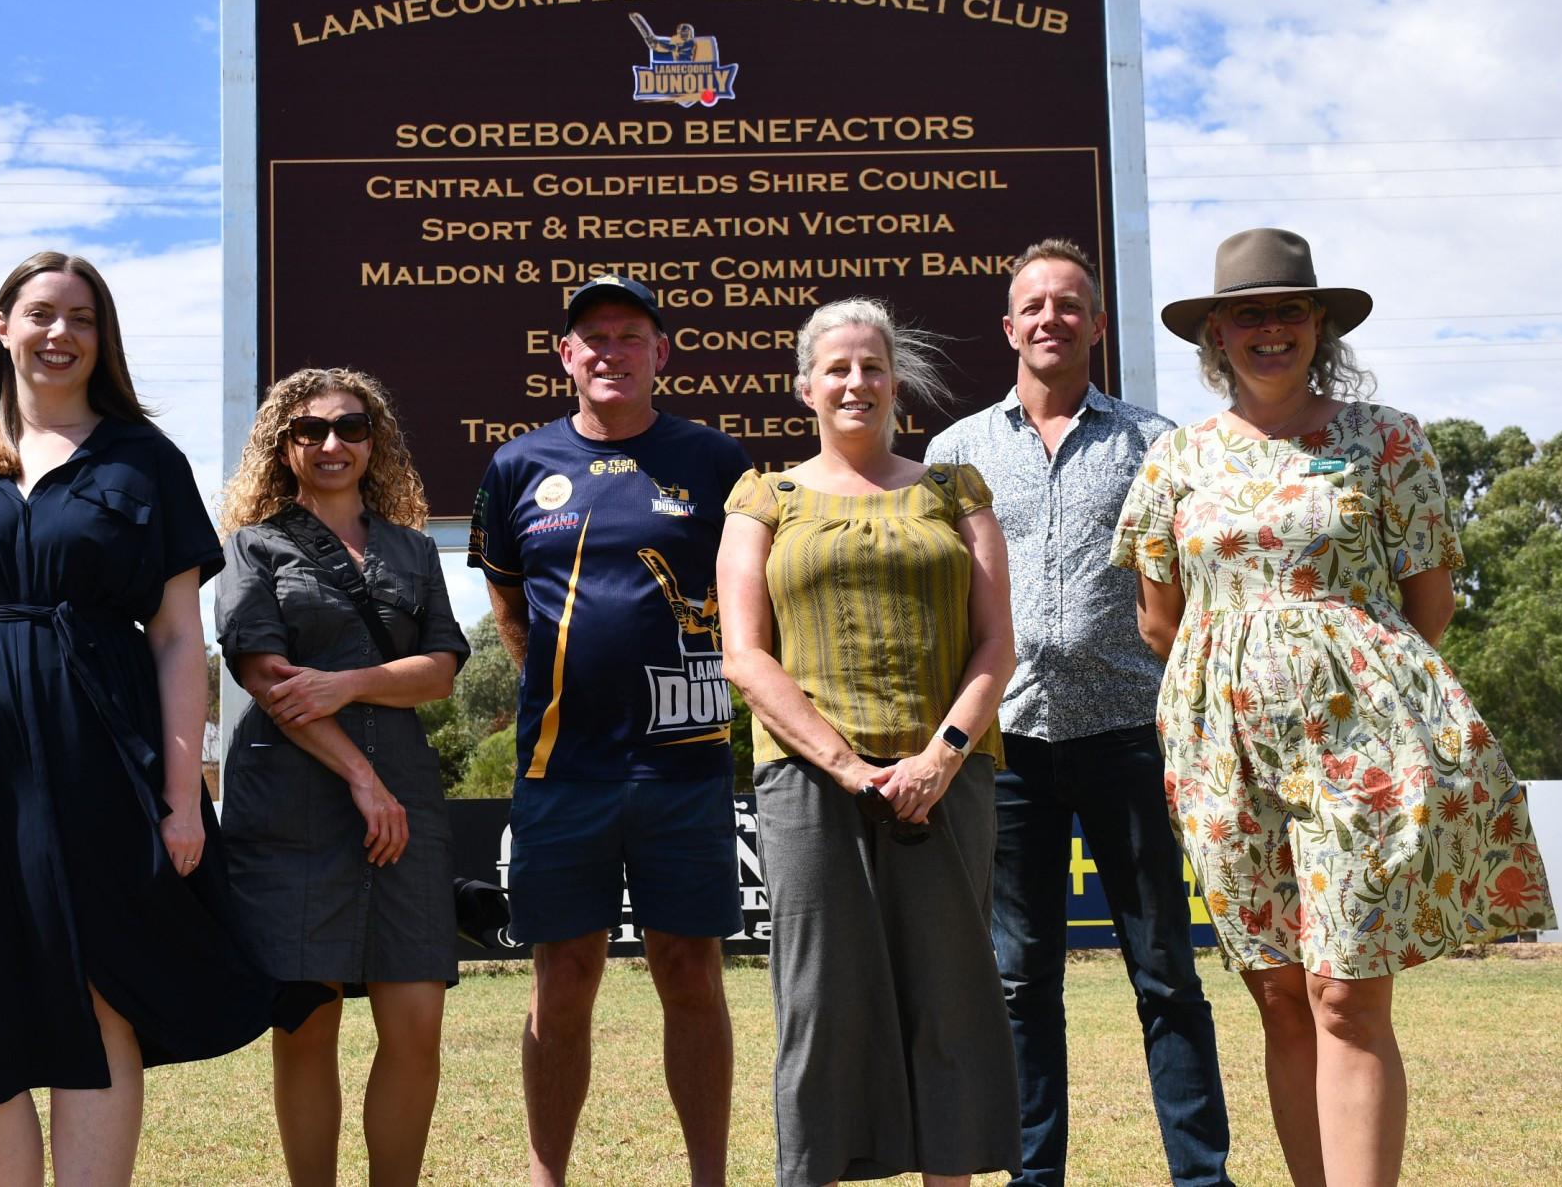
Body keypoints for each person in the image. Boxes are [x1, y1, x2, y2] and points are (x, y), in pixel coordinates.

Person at [0, 251, 328, 1186]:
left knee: (98, 983)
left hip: (100, 748)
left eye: (82, 317)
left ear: (103, 338)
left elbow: (176, 638)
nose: (60, 333)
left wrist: (183, 791)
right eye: (40, 313)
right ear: (4, 328)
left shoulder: (145, 460)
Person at [1110, 228, 1557, 1187]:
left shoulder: (1387, 439)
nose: (1270, 329)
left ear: (1319, 325)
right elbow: (1159, 622)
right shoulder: (1175, 459)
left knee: (1344, 990)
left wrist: (1332, 666)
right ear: (1216, 334)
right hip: (1218, 746)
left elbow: (1427, 606)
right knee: (1276, 990)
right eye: (1248, 314)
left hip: (1362, 740)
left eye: (1289, 311)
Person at [926, 239, 1236, 1187]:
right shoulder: (955, 453)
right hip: (1003, 744)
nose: (1052, 317)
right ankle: (1033, 1176)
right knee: (1019, 980)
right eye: (1035, 304)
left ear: (1098, 324)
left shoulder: (1158, 442)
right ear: (1009, 326)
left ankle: (1200, 1176)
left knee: (1166, 974)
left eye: (1071, 304)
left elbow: (1196, 591)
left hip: (1130, 738)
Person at [719, 297, 1022, 1187]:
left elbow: (997, 644)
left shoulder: (953, 491)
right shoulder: (762, 499)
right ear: (806, 386)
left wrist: (941, 755)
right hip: (809, 785)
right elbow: (745, 655)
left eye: (874, 366)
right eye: (839, 368)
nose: (858, 381)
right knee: (820, 1002)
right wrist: (853, 770)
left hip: (948, 778)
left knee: (952, 1000)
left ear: (898, 383)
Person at [467, 275, 750, 1187]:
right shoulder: (517, 467)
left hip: (687, 762)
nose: (610, 351)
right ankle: (549, 1175)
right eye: (592, 338)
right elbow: (508, 604)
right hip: (562, 769)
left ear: (660, 353)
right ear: (565, 356)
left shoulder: (715, 459)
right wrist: (558, 684)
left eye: (631, 335)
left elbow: (753, 598)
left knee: (691, 971)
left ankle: (708, 1174)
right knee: (565, 976)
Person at [216, 367, 472, 1187]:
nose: (332, 444)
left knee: (416, 1025)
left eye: (351, 428)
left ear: (375, 440)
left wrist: (350, 683)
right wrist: (361, 776)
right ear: (283, 448)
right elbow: (264, 672)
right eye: (310, 431)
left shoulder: (413, 547)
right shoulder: (254, 545)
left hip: (405, 795)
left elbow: (439, 671)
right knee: (306, 1025)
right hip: (292, 801)